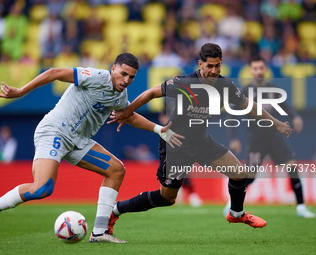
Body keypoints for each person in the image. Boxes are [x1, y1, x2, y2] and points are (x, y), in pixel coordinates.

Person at [0, 53, 184, 244]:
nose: (126, 80)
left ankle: (100, 231)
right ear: (113, 69)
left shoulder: (120, 96)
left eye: (131, 77)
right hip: (54, 131)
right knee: (42, 189)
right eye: (123, 74)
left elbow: (128, 114)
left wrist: (160, 130)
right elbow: (54, 72)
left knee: (116, 169)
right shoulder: (94, 76)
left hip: (78, 140)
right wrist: (21, 91)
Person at [107, 43, 293, 238]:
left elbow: (249, 106)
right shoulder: (185, 82)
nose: (214, 71)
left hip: (201, 141)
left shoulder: (225, 86)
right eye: (210, 66)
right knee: (167, 197)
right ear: (200, 64)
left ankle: (236, 213)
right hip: (175, 144)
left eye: (217, 66)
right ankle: (116, 210)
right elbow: (152, 92)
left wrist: (276, 122)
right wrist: (128, 111)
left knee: (239, 174)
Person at [225, 56, 315, 218]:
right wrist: (233, 137)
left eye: (261, 68)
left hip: (275, 138)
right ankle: (232, 201)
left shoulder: (273, 89)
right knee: (250, 178)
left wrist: (295, 116)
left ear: (265, 70)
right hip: (256, 140)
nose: (259, 71)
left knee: (292, 168)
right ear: (250, 71)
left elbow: (285, 106)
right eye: (255, 68)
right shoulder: (244, 92)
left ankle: (301, 207)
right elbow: (232, 115)